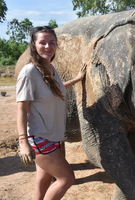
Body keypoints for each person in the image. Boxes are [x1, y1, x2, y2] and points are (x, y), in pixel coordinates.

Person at [16, 26, 86, 200]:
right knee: (67, 178)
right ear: (34, 44)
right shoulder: (29, 72)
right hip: (40, 138)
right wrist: (23, 143)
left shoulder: (51, 69)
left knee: (44, 179)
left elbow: (57, 89)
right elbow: (22, 109)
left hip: (54, 136)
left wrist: (77, 79)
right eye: (42, 42)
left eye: (52, 42)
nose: (48, 46)